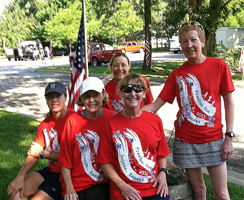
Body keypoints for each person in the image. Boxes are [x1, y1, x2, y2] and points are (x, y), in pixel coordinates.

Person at [142, 21, 235, 200]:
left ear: (202, 41)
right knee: (199, 191)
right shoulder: (176, 75)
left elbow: (229, 102)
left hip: (214, 140)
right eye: (184, 42)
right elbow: (155, 106)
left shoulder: (219, 66)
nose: (189, 45)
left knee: (222, 194)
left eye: (193, 40)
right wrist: (124, 117)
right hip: (186, 141)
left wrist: (228, 137)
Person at [97, 73, 170, 200]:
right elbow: (105, 162)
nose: (132, 93)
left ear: (144, 93)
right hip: (123, 190)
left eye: (137, 89)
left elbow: (161, 153)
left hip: (154, 187)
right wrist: (123, 187)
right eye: (127, 89)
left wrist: (163, 174)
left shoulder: (155, 120)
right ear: (120, 94)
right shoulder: (111, 124)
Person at [7, 82, 76, 200]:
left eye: (58, 96)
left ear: (65, 98)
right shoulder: (45, 124)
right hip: (51, 170)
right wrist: (20, 177)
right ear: (46, 100)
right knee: (15, 193)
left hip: (67, 175)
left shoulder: (74, 119)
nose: (54, 100)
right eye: (50, 97)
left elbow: (71, 157)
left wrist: (43, 154)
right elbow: (33, 154)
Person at [58, 77, 114, 200]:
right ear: (81, 99)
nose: (91, 100)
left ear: (104, 94)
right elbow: (64, 159)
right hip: (76, 184)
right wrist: (69, 188)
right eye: (87, 96)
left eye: (96, 95)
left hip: (103, 182)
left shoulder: (112, 119)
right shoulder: (72, 121)